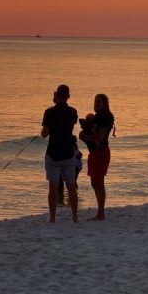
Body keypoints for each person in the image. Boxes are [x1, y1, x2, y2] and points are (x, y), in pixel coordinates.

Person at [41, 84, 79, 223]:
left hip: (53, 153)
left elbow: (44, 134)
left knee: (53, 187)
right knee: (71, 187)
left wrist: (54, 103)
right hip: (68, 152)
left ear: (56, 95)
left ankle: (52, 217)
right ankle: (74, 216)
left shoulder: (49, 112)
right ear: (68, 96)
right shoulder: (73, 112)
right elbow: (68, 125)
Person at [81, 93, 115, 220]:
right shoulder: (98, 117)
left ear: (105, 104)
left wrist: (83, 137)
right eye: (95, 101)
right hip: (95, 152)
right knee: (94, 182)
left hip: (100, 152)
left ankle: (101, 212)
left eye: (99, 102)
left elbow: (99, 139)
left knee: (99, 182)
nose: (96, 104)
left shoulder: (105, 117)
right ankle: (100, 211)